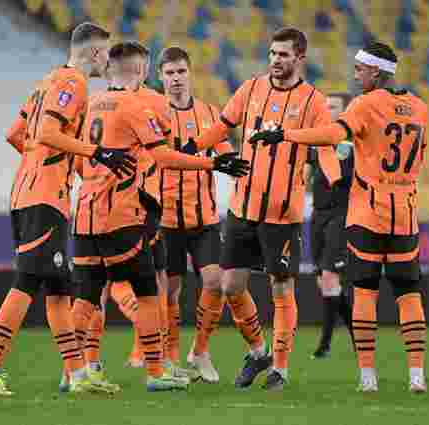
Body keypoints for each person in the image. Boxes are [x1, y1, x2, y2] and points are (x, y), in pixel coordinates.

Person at [248, 42, 429, 393]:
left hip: (368, 213)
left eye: (360, 69)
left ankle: (367, 377)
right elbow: (418, 158)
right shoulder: (421, 108)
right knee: (409, 294)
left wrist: (285, 134)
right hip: (406, 214)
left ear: (375, 71)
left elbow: (333, 134)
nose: (356, 75)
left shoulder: (365, 104)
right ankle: (417, 375)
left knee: (365, 292)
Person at [70, 41, 250, 392]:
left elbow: (79, 160)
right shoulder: (136, 105)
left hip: (86, 213)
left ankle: (75, 371)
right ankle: (156, 371)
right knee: (149, 290)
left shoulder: (91, 103)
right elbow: (164, 157)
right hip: (124, 214)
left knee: (90, 293)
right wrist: (212, 163)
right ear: (143, 70)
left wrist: (97, 181)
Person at [0, 22, 129, 396]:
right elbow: (46, 133)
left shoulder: (46, 82)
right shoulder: (74, 83)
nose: (107, 61)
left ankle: (77, 374)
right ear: (95, 52)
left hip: (29, 192)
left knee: (59, 290)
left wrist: (44, 163)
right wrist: (96, 153)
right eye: (106, 53)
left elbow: (15, 134)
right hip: (44, 197)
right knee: (27, 282)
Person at [190, 27, 332, 390]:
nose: (276, 60)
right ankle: (258, 352)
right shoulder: (250, 89)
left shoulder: (314, 101)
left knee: (281, 288)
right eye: (272, 53)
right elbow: (221, 127)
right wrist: (190, 149)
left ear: (300, 57)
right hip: (243, 208)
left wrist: (323, 166)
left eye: (283, 54)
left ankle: (280, 369)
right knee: (230, 285)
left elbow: (328, 138)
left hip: (282, 214)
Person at [154, 46, 234, 383]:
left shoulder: (209, 112)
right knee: (170, 293)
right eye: (169, 73)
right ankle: (171, 358)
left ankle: (200, 351)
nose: (176, 79)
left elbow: (224, 150)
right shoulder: (154, 113)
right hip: (166, 220)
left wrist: (234, 162)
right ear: (160, 77)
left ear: (190, 73)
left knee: (216, 283)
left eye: (181, 72)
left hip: (205, 220)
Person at [304, 92, 354, 359]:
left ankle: (324, 345)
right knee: (324, 282)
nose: (327, 110)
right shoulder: (319, 142)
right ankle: (358, 336)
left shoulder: (351, 144)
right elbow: (305, 172)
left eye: (333, 106)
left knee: (329, 276)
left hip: (342, 214)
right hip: (318, 215)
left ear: (344, 112)